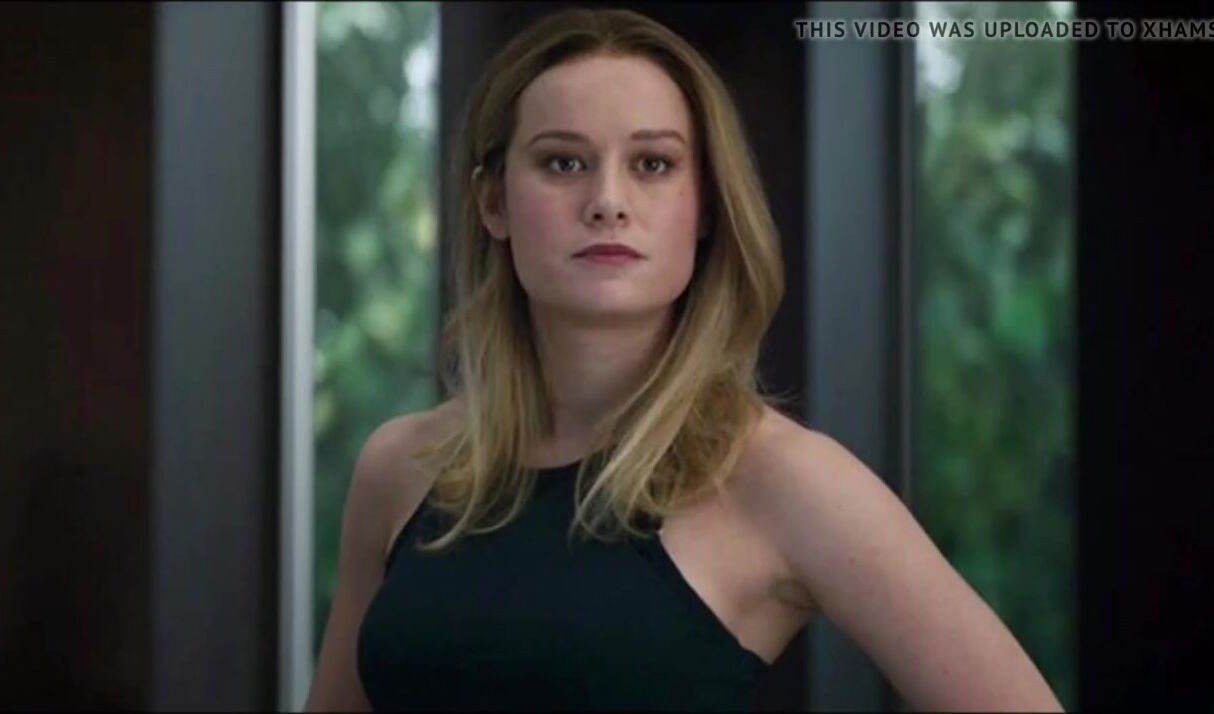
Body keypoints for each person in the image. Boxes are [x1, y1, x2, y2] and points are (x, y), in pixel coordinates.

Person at [305, 7, 1065, 713]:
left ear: (705, 205)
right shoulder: (402, 468)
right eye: (563, 163)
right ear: (493, 203)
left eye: (653, 164)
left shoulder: (781, 478)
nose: (607, 201)